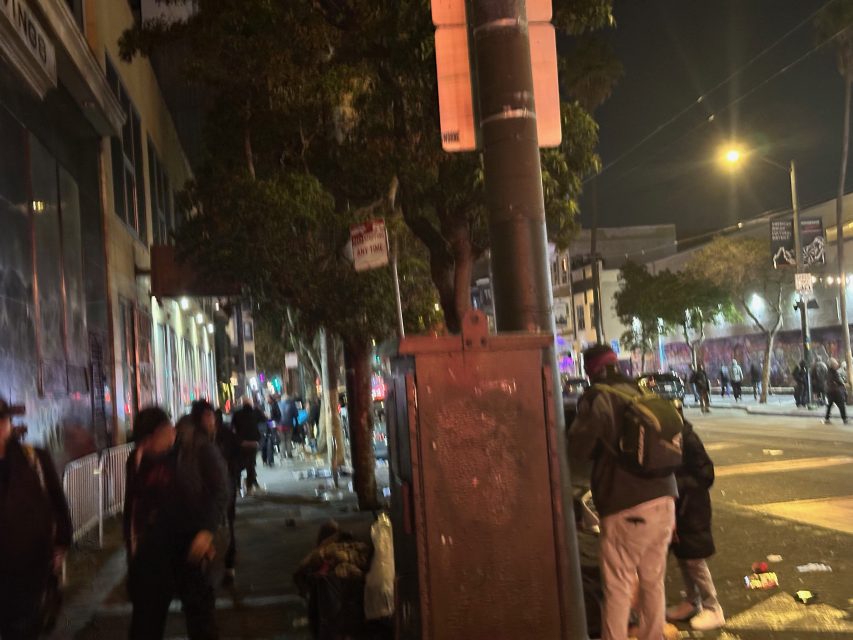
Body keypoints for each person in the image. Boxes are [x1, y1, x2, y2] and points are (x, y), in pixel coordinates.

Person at [569, 345, 677, 640]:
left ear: (591, 370)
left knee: (618, 585)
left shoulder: (599, 397)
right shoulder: (641, 391)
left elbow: (578, 448)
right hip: (666, 499)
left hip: (626, 504)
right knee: (653, 581)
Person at [124, 405, 229, 640]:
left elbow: (221, 491)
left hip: (190, 546)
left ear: (163, 432)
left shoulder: (195, 450)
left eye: (148, 442)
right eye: (140, 443)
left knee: (200, 619)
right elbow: (133, 511)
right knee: (145, 623)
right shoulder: (139, 459)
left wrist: (207, 531)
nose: (143, 448)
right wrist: (133, 558)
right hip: (153, 553)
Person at [0, 397, 72, 639]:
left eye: (1, 421)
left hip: (30, 570)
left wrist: (61, 544)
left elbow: (57, 503)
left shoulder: (34, 459)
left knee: (23, 629)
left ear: (9, 423)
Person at [665, 416, 725, 631]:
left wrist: (675, 485)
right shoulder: (665, 436)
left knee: (694, 560)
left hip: (692, 507)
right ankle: (692, 601)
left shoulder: (688, 438)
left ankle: (713, 608)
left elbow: (706, 474)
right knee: (683, 556)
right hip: (678, 506)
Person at [211, 408, 241, 584]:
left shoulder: (221, 436)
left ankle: (228, 563)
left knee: (226, 523)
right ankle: (226, 563)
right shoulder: (209, 439)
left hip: (225, 484)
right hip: (224, 484)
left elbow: (237, 455)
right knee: (226, 523)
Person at [231, 395, 266, 494]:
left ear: (242, 404)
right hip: (253, 443)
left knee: (238, 466)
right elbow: (264, 419)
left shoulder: (237, 414)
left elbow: (233, 427)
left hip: (242, 443)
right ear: (251, 403)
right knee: (250, 466)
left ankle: (238, 487)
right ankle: (249, 487)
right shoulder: (256, 412)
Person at [823, 358, 848, 424]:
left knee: (829, 405)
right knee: (841, 405)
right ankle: (844, 419)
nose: (837, 364)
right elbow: (839, 381)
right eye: (835, 363)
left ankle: (827, 418)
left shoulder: (827, 371)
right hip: (836, 391)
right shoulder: (834, 372)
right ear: (833, 365)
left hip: (829, 391)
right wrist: (843, 384)